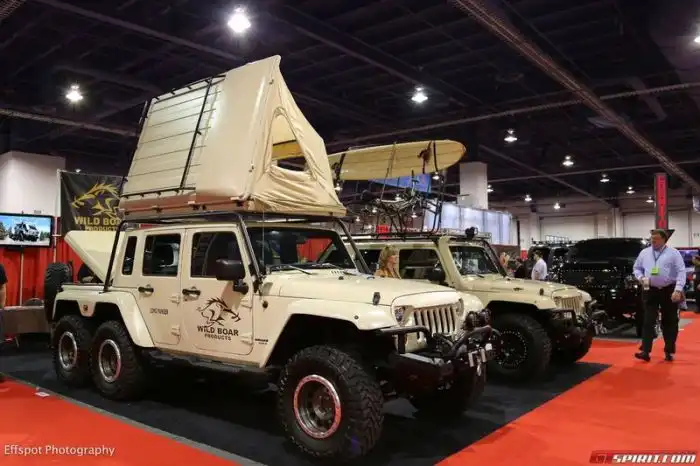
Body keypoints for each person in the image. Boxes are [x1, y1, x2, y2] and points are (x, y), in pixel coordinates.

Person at [633, 229, 685, 362]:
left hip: (669, 290)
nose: (653, 241)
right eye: (652, 238)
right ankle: (645, 351)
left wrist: (678, 290)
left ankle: (669, 350)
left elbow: (681, 271)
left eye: (656, 239)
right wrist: (641, 277)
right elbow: (636, 268)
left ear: (664, 240)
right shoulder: (644, 253)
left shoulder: (674, 253)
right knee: (648, 320)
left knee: (670, 321)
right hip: (650, 289)